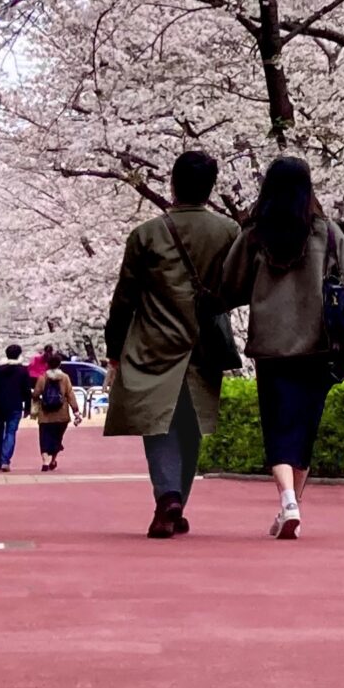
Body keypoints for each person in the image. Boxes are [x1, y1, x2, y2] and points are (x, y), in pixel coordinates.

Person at [219, 155, 344, 541]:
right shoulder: (328, 234)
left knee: (278, 429)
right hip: (319, 347)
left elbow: (230, 283)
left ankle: (288, 502)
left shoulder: (254, 235)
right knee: (303, 430)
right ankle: (290, 503)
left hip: (272, 348)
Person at [104, 149, 237, 539]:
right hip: (204, 342)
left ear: (173, 184)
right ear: (211, 188)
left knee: (157, 421)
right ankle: (176, 500)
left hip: (153, 341)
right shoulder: (229, 232)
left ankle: (168, 496)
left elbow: (124, 297)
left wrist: (114, 346)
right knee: (191, 423)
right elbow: (240, 285)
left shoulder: (146, 234)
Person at [0, 343, 32, 472]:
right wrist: (27, 407)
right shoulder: (23, 371)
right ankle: (5, 460)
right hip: (15, 405)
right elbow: (27, 390)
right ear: (19, 355)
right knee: (11, 433)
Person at [31, 349, 78, 472]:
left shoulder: (42, 378)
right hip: (61, 414)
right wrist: (76, 411)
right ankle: (53, 460)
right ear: (59, 364)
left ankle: (45, 461)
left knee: (44, 438)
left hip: (45, 414)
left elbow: (36, 394)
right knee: (57, 438)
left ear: (47, 364)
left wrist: (35, 407)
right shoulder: (65, 378)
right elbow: (70, 394)